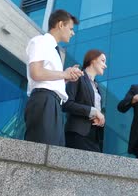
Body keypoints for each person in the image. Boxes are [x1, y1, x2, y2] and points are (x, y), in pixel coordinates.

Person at [24, 9, 83, 146]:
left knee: (54, 154)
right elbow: (36, 73)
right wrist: (64, 74)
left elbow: (47, 75)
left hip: (54, 104)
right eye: (71, 28)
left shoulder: (56, 51)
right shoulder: (40, 41)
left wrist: (65, 78)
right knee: (40, 151)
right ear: (61, 25)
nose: (72, 33)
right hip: (44, 100)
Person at [62, 49, 107, 152]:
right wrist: (93, 111)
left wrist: (100, 119)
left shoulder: (98, 87)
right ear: (93, 60)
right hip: (77, 134)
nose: (105, 65)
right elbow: (67, 104)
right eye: (103, 61)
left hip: (94, 137)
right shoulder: (78, 77)